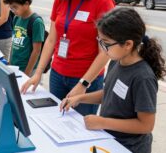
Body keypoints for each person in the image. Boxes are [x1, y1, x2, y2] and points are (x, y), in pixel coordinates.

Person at [21, 0, 115, 116]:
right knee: (56, 122)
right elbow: (51, 41)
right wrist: (38, 72)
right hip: (58, 74)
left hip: (86, 79)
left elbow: (105, 52)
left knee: (79, 130)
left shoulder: (102, 2)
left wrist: (83, 84)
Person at [62, 8, 166, 153]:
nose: (102, 49)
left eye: (106, 43)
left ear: (128, 44)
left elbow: (146, 125)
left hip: (130, 147)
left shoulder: (143, 78)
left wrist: (102, 122)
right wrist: (80, 98)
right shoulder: (116, 61)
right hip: (109, 139)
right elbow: (110, 94)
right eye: (100, 41)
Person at [3, 0, 45, 76]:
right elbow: (14, 43)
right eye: (11, 8)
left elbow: (36, 51)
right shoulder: (16, 18)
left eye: (15, 7)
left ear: (26, 4)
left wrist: (27, 73)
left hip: (28, 69)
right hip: (15, 66)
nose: (13, 10)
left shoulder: (36, 22)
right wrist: (10, 62)